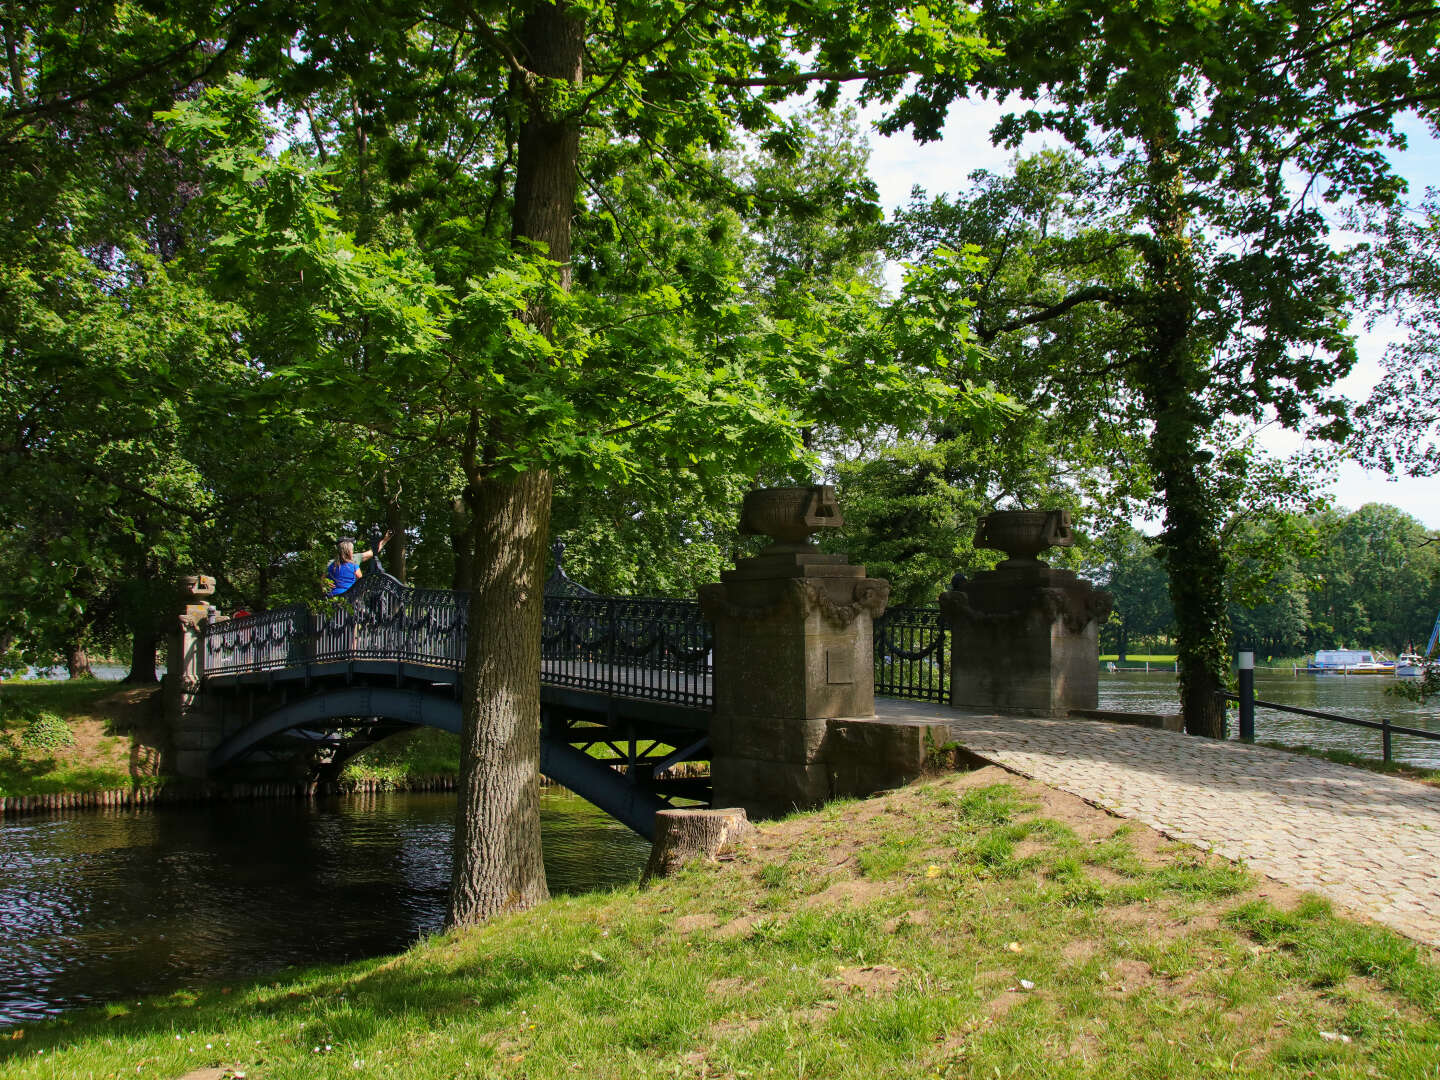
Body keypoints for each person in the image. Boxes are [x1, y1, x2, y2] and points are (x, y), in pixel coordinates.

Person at [324, 533, 391, 596]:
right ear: (349, 551)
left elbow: (372, 552)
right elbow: (361, 581)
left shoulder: (332, 565)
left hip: (334, 596)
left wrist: (385, 540)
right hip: (349, 596)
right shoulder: (353, 565)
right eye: (352, 550)